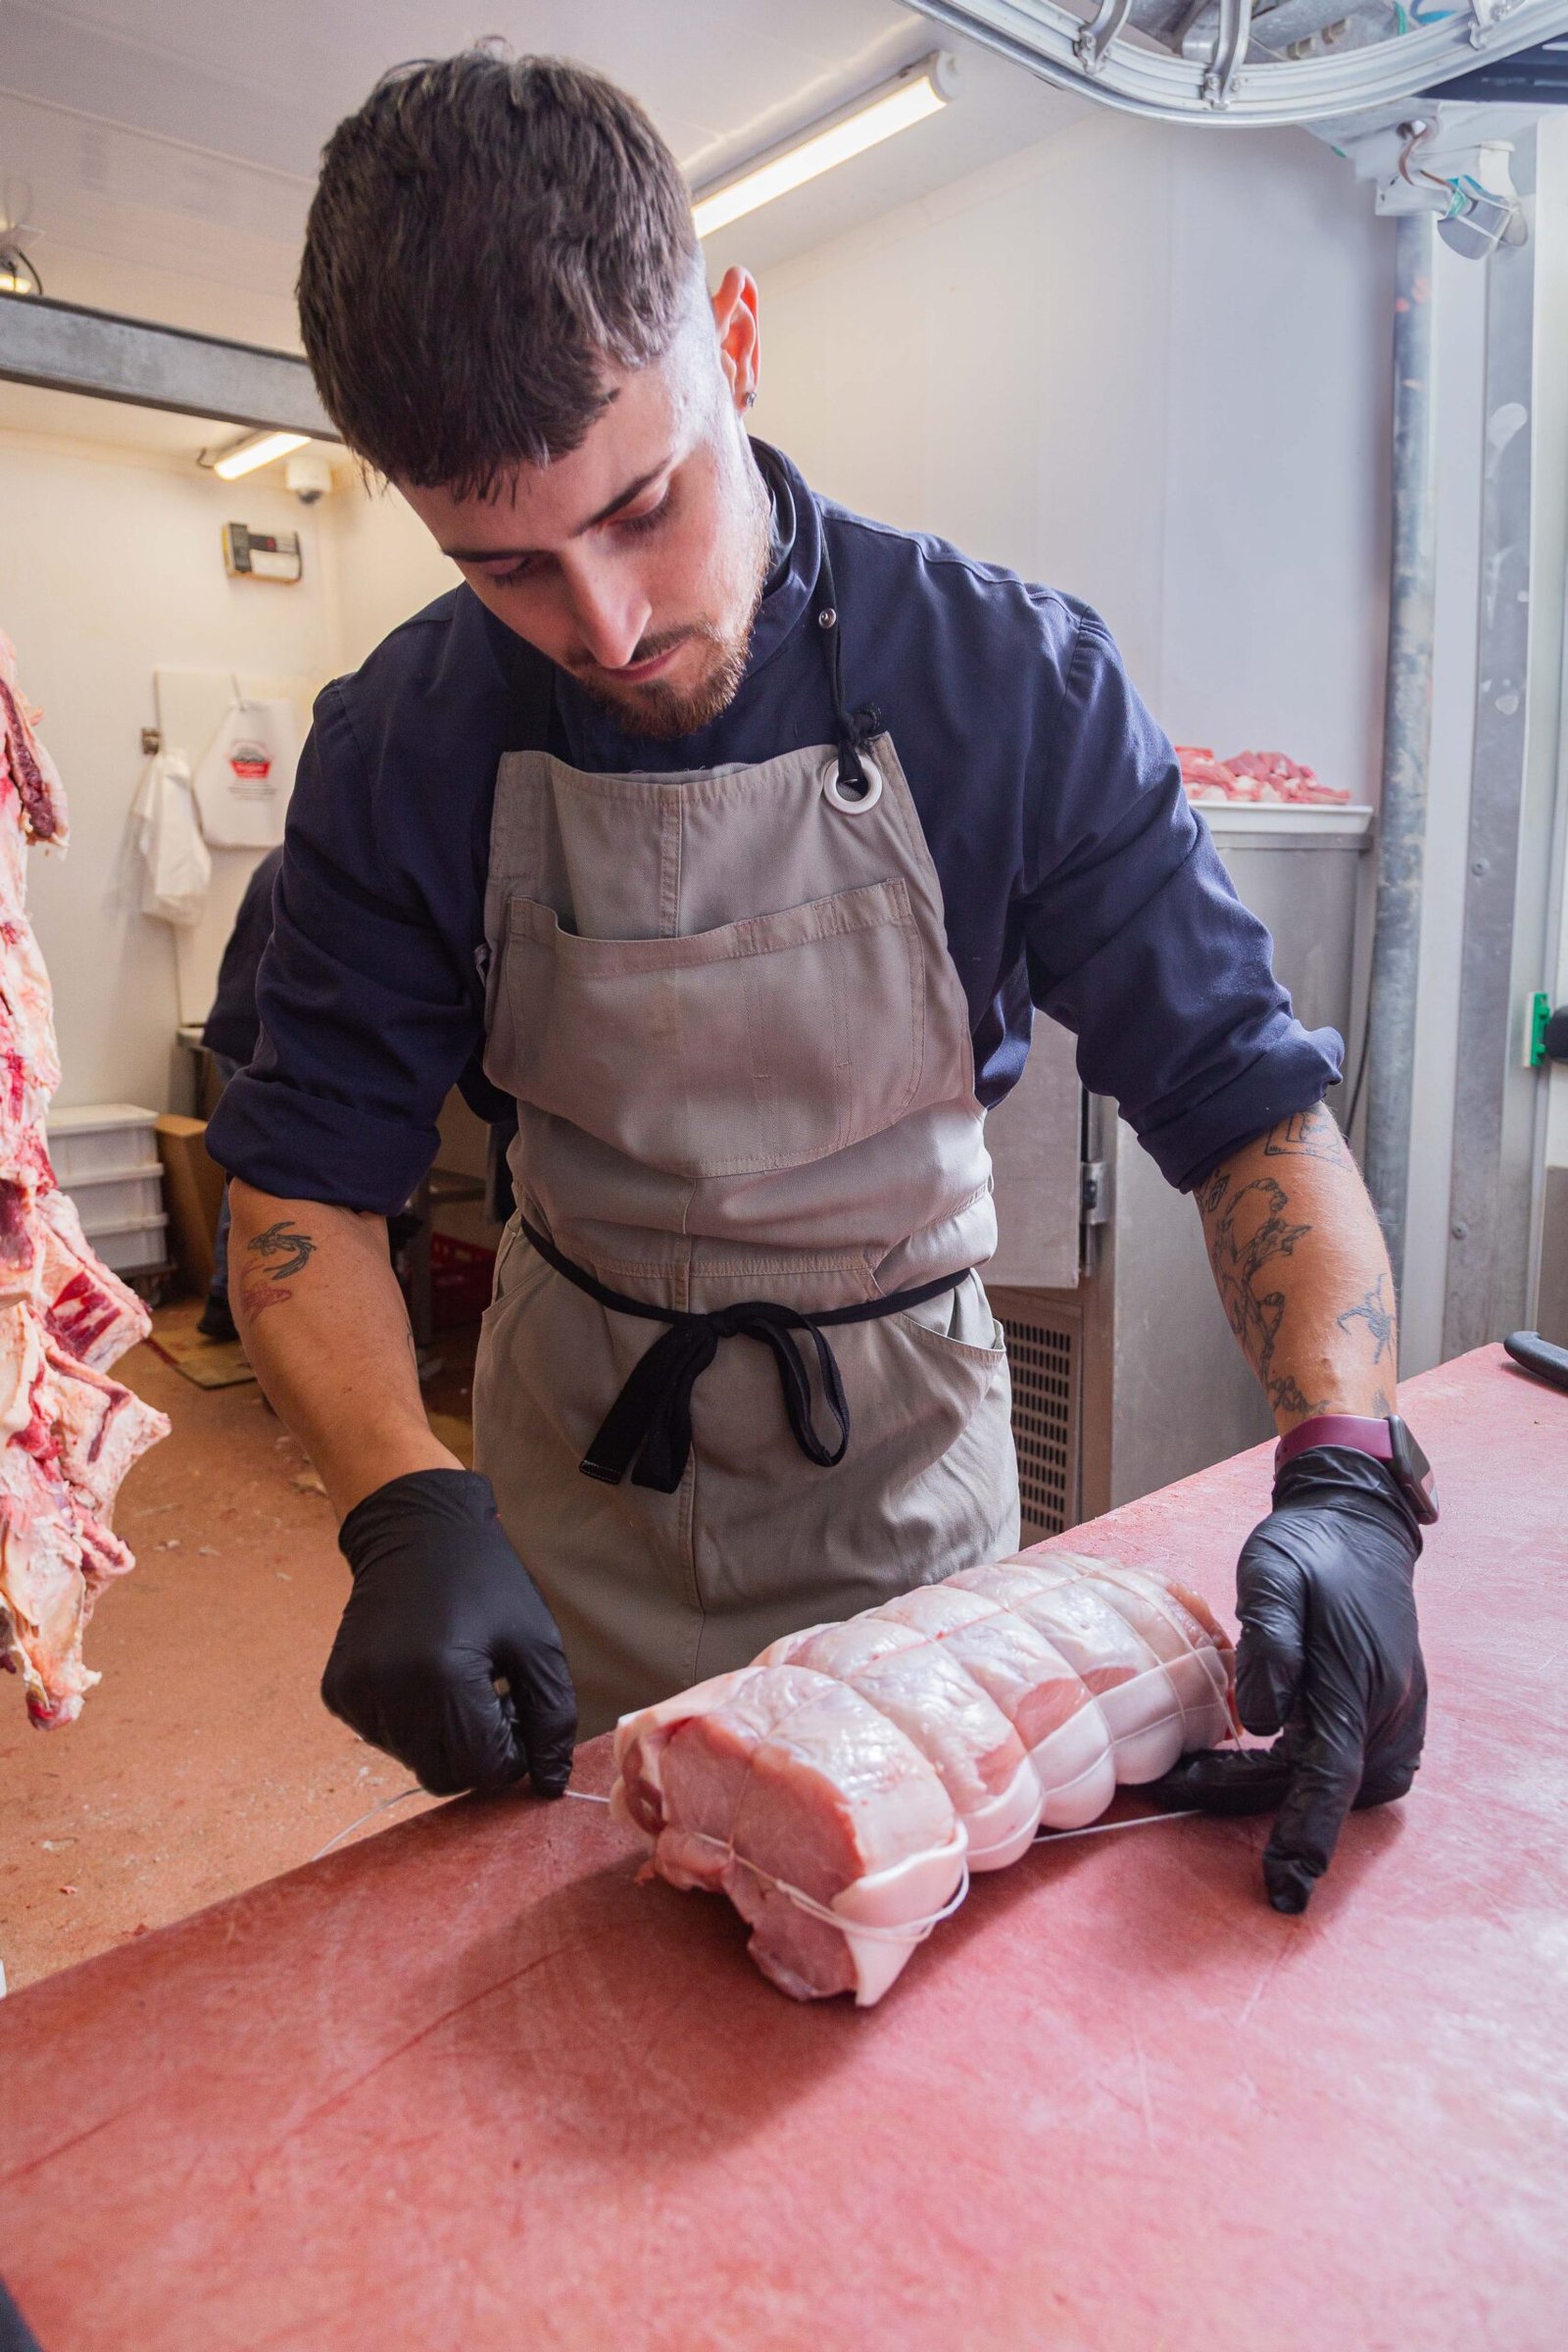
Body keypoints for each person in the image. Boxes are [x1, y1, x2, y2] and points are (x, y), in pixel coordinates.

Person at [207, 52, 1429, 1917]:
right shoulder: (401, 743)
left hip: (904, 1474)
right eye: (509, 569)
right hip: (568, 1483)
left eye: (645, 507)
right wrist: (400, 1501)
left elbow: (1247, 1103)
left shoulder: (1009, 685)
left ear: (735, 338)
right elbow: (302, 1184)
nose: (607, 626)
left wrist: (1345, 1472)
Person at [197, 844, 283, 1343]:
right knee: (265, 1178)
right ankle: (244, 1310)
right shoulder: (330, 856)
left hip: (234, 1025)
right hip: (259, 1037)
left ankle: (222, 1300)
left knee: (248, 1172)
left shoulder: (278, 855)